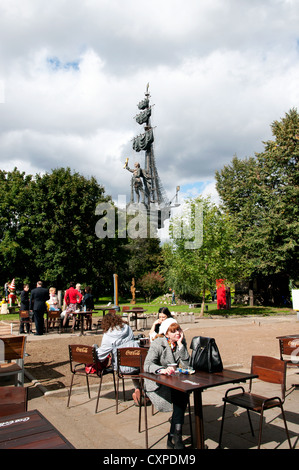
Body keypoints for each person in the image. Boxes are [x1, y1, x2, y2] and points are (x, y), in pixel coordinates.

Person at [143, 318, 190, 449]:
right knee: (181, 397)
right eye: (173, 331)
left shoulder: (180, 342)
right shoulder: (159, 343)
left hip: (174, 381)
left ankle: (174, 437)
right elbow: (147, 365)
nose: (178, 333)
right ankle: (175, 438)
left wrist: (181, 346)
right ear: (166, 333)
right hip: (158, 383)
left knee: (183, 393)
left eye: (179, 329)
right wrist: (161, 370)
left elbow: (187, 365)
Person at [93, 312, 140, 400]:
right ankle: (139, 388)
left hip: (121, 367)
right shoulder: (127, 328)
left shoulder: (108, 335)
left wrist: (95, 348)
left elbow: (100, 356)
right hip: (136, 363)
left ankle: (138, 389)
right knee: (136, 366)